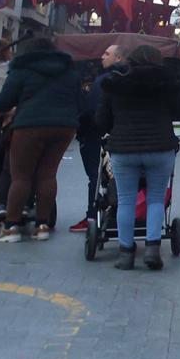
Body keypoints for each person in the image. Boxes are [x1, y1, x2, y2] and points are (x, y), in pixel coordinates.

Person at [0, 36, 80, 241]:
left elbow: (4, 100)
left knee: (21, 176)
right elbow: (78, 98)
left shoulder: (23, 69)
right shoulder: (69, 71)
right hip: (64, 127)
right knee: (48, 175)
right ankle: (42, 225)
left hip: (30, 125)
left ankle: (10, 227)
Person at [98, 44, 180, 271]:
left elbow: (102, 119)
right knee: (156, 199)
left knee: (126, 201)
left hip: (123, 147)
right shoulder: (168, 83)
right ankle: (152, 250)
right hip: (160, 147)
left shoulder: (115, 83)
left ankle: (126, 254)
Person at [72, 44, 124, 233]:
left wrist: (83, 127)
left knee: (96, 176)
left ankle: (92, 215)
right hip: (122, 136)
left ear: (118, 58)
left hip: (97, 136)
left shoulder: (104, 81)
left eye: (107, 53)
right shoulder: (126, 80)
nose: (102, 57)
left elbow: (93, 110)